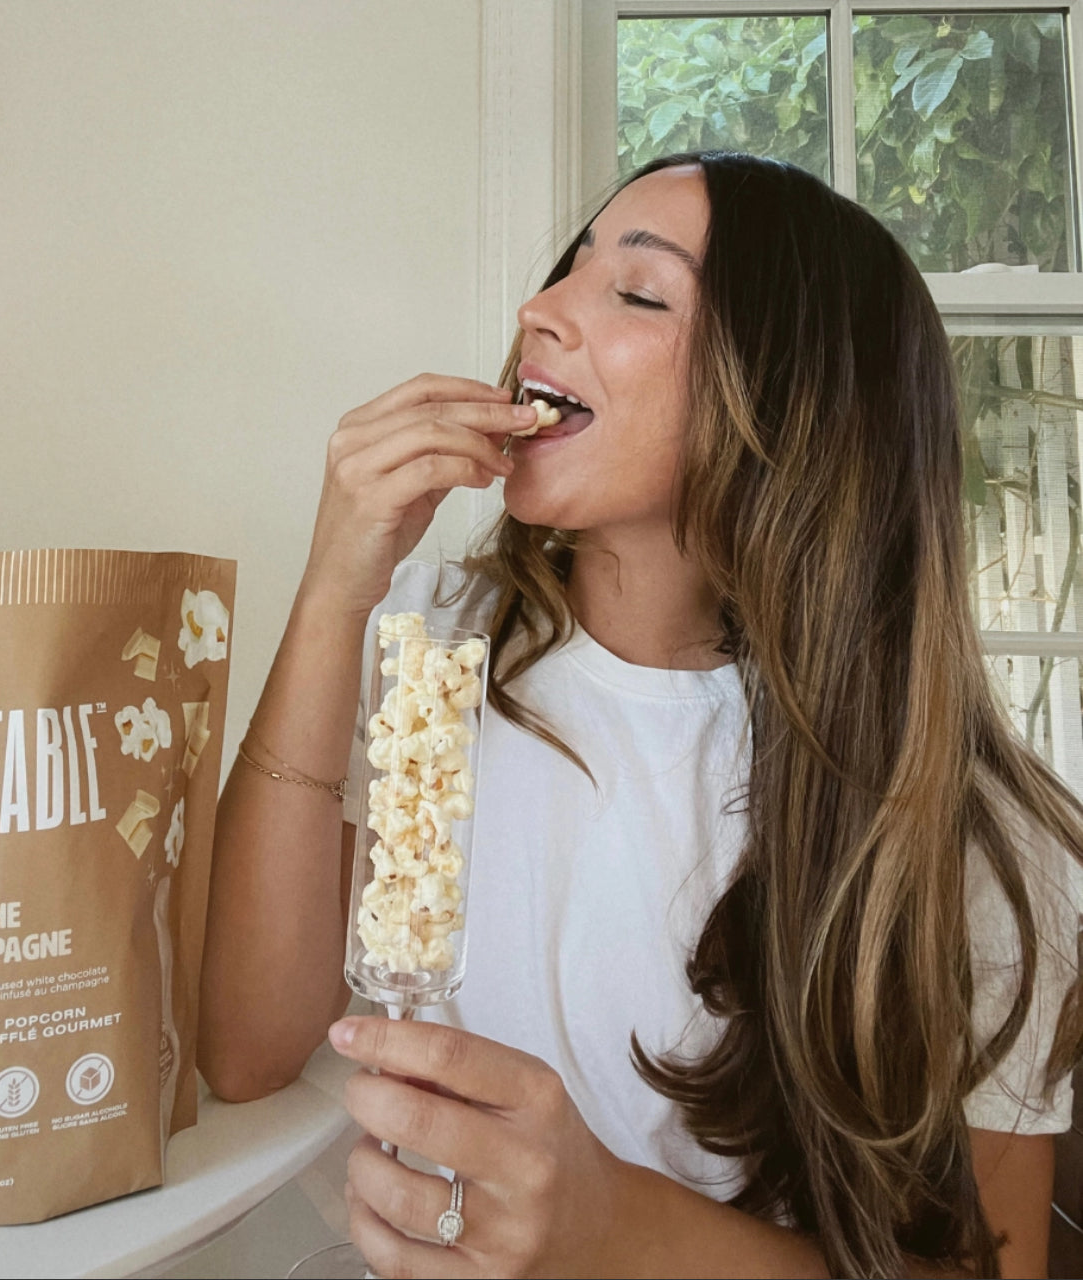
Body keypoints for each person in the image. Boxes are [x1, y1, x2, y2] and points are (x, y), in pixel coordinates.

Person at [196, 151, 1083, 1278]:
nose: (538, 309)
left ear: (789, 395)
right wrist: (334, 590)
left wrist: (612, 1230)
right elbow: (248, 1047)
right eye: (571, 266)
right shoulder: (432, 650)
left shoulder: (980, 843)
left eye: (638, 290)